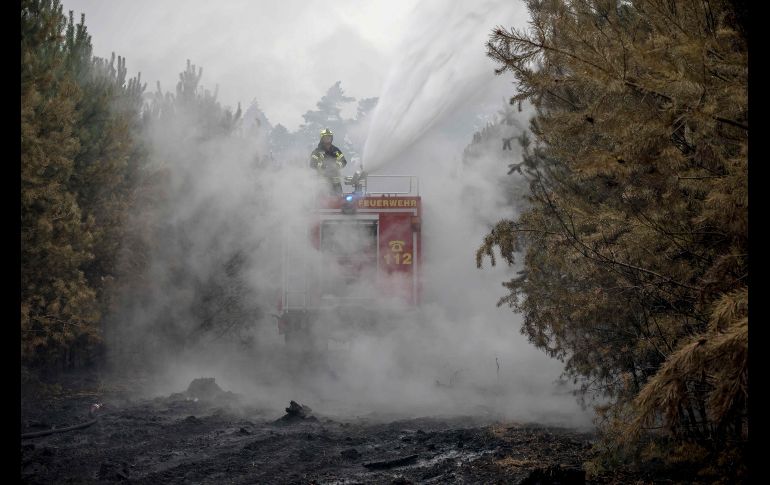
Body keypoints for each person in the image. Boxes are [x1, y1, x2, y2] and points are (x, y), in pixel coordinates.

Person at [309, 128, 347, 195]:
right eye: (326, 137)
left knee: (339, 200)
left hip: (336, 181)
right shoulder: (317, 151)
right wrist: (323, 166)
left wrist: (337, 165)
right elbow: (312, 164)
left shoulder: (336, 150)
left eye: (329, 137)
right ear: (322, 138)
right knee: (322, 201)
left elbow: (344, 161)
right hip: (322, 181)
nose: (328, 138)